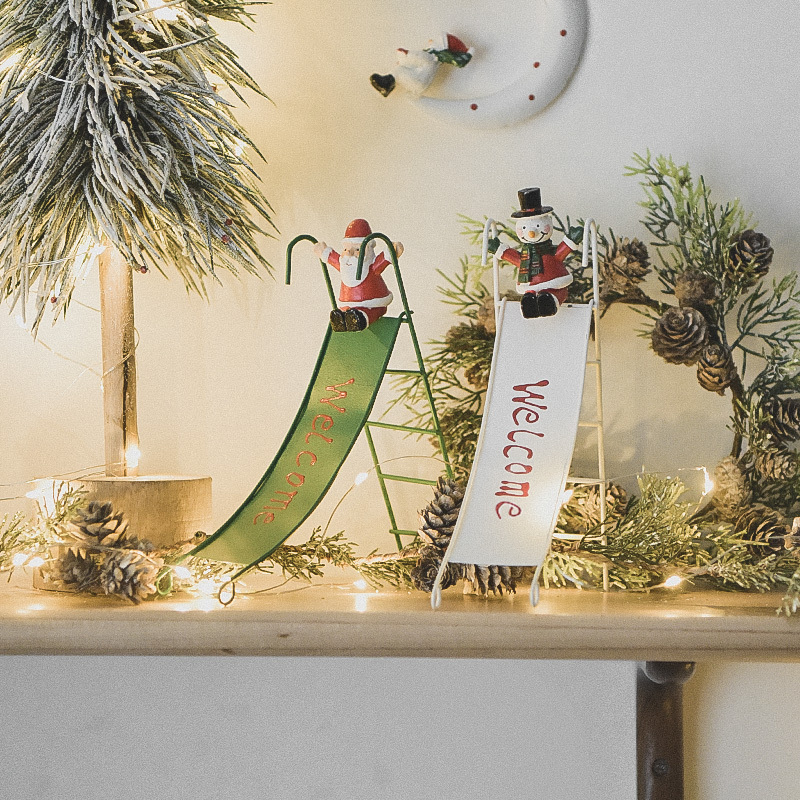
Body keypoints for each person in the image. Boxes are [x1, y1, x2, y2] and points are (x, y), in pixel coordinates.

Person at [489, 187, 581, 318]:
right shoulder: (525, 256)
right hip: (529, 284)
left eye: (538, 226)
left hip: (554, 279)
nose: (532, 233)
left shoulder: (550, 253)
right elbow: (516, 259)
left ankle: (551, 301)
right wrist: (499, 249)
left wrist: (571, 239)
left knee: (558, 291)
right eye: (524, 228)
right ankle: (529, 303)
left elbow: (560, 253)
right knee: (530, 295)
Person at [313, 219, 403, 332]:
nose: (349, 253)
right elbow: (334, 259)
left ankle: (360, 319)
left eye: (357, 249)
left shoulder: (371, 267)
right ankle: (341, 319)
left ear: (368, 250)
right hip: (346, 304)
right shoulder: (345, 266)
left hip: (372, 304)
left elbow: (383, 259)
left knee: (369, 313)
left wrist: (391, 251)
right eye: (346, 249)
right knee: (346, 313)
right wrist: (324, 252)